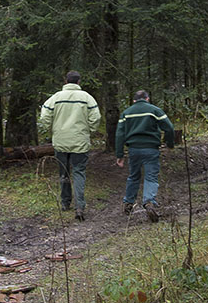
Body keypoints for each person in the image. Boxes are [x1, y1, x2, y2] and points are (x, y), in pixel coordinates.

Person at [38, 71, 101, 220]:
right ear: (79, 82)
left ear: (66, 81)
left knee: (63, 172)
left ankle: (65, 203)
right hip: (80, 141)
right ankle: (80, 206)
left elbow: (44, 116)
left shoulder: (55, 97)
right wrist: (89, 130)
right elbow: (96, 117)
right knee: (79, 172)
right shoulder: (87, 98)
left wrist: (52, 129)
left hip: (60, 141)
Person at [115, 90, 174, 221]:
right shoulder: (154, 110)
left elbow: (119, 134)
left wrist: (119, 154)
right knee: (151, 176)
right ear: (147, 99)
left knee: (133, 176)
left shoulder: (126, 113)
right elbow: (169, 127)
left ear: (134, 101)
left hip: (134, 150)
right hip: (151, 149)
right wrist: (169, 143)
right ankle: (149, 202)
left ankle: (128, 203)